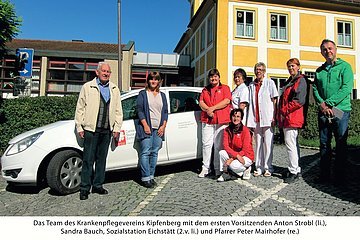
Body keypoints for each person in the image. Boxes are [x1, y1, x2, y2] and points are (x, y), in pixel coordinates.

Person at [75, 62, 123, 200]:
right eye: (103, 71)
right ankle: (84, 188)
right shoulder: (88, 87)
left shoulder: (114, 89)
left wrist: (117, 128)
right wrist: (79, 126)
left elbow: (118, 111)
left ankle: (97, 185)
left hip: (106, 130)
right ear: (97, 72)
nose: (106, 73)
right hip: (91, 129)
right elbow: (80, 108)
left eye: (108, 71)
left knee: (101, 160)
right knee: (88, 160)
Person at [313, 39, 354, 184]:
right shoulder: (319, 71)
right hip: (324, 110)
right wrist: (322, 105)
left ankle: (340, 176)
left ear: (335, 49)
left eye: (330, 48)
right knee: (324, 144)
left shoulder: (345, 67)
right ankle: (324, 175)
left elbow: (346, 88)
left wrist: (328, 104)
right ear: (321, 52)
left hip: (340, 110)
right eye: (324, 49)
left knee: (340, 143)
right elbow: (315, 89)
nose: (328, 51)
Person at [277, 58, 308, 183]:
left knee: (290, 144)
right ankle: (296, 168)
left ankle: (293, 171)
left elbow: (299, 100)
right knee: (293, 144)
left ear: (298, 67)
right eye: (289, 66)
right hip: (289, 117)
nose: (291, 68)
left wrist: (284, 110)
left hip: (292, 117)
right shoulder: (291, 81)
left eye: (293, 66)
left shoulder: (300, 81)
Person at [136, 71, 168, 188]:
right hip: (147, 128)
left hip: (158, 129)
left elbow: (165, 112)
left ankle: (151, 176)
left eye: (156, 79)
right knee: (145, 152)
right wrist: (145, 125)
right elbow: (139, 110)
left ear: (159, 81)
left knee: (154, 153)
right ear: (148, 81)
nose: (153, 81)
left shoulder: (162, 95)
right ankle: (145, 178)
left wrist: (163, 126)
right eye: (151, 79)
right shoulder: (143, 94)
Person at [198, 68, 232, 178]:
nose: (213, 78)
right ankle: (206, 168)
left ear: (219, 77)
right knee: (206, 144)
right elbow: (201, 102)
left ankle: (218, 168)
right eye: (211, 77)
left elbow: (226, 101)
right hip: (208, 120)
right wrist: (208, 110)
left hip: (221, 120)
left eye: (215, 76)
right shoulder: (205, 90)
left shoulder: (225, 88)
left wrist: (212, 108)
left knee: (218, 145)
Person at [247, 62, 278, 177]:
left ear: (264, 71)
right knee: (258, 144)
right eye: (256, 69)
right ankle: (259, 167)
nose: (258, 71)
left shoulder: (270, 83)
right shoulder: (251, 85)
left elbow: (275, 100)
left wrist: (274, 115)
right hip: (256, 118)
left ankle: (268, 167)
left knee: (268, 144)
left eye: (260, 69)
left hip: (268, 117)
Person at [218, 108, 254, 182]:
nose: (235, 118)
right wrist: (236, 156)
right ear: (231, 117)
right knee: (221, 153)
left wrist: (231, 159)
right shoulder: (227, 130)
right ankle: (226, 173)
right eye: (234, 116)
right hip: (235, 154)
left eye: (238, 117)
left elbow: (245, 149)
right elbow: (226, 146)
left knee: (233, 165)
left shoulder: (245, 130)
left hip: (246, 155)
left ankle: (247, 168)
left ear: (241, 118)